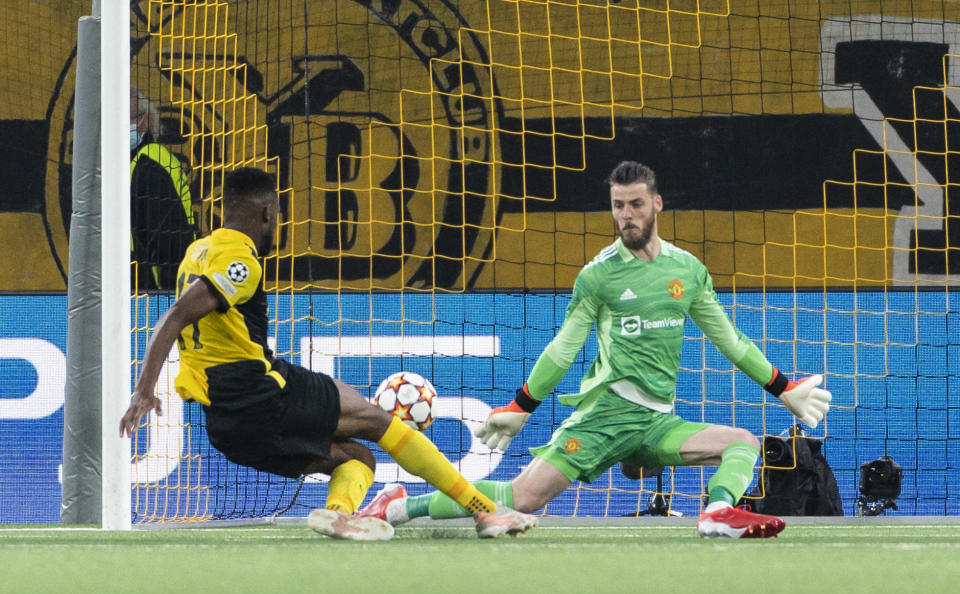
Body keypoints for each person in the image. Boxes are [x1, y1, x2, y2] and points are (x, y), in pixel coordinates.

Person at [357, 160, 832, 539]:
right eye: (618, 206)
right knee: (522, 499)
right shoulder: (598, 276)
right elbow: (564, 349)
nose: (626, 215)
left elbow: (729, 339)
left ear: (657, 204)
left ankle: (717, 512)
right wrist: (521, 407)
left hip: (656, 420)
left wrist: (783, 386)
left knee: (742, 444)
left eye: (636, 204)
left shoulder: (687, 271)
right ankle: (400, 503)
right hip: (606, 415)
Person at [118, 167, 536, 541]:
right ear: (266, 213)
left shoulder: (195, 252)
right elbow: (175, 315)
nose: (276, 223)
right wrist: (143, 390)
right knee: (377, 420)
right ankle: (485, 512)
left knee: (357, 456)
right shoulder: (239, 260)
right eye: (277, 215)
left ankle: (337, 514)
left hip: (226, 427)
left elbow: (176, 314)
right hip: (256, 395)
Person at [130, 84, 198, 290]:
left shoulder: (152, 167)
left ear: (144, 120)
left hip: (152, 296)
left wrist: (171, 305)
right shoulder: (124, 164)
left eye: (126, 118)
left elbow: (172, 241)